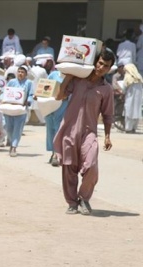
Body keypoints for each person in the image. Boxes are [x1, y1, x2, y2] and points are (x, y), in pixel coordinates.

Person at [54, 49, 115, 215]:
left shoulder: (106, 89)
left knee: (91, 164)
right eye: (100, 63)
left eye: (106, 66)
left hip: (89, 132)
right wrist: (69, 75)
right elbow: (59, 96)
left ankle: (84, 197)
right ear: (95, 62)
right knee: (68, 168)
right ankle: (72, 202)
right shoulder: (78, 81)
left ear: (109, 69)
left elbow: (108, 114)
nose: (101, 67)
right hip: (69, 129)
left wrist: (108, 137)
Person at [2, 65, 33, 157]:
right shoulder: (11, 82)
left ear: (26, 74)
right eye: (19, 71)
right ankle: (11, 141)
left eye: (22, 72)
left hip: (20, 110)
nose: (20, 73)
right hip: (9, 108)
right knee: (8, 128)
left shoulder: (29, 83)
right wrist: (2, 99)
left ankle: (13, 147)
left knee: (17, 129)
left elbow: (31, 94)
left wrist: (28, 101)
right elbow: (5, 92)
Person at [44, 66, 70, 167]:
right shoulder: (53, 75)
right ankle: (53, 152)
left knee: (59, 128)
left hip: (63, 104)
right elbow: (45, 87)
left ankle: (56, 154)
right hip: (50, 104)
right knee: (50, 128)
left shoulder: (71, 77)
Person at [121, 63, 143, 133]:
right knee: (136, 112)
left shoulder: (127, 77)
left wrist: (122, 93)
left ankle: (128, 128)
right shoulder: (139, 77)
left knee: (129, 112)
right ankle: (134, 127)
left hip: (130, 98)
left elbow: (124, 88)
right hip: (138, 98)